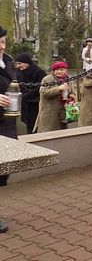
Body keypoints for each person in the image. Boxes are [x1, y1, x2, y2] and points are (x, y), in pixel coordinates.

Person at [0, 26, 17, 233]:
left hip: (6, 123)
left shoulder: (8, 62)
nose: (2, 47)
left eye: (3, 42)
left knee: (3, 171)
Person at [34, 61, 74, 133]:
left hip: (63, 113)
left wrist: (71, 97)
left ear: (65, 70)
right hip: (49, 113)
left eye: (61, 70)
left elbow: (72, 92)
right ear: (53, 71)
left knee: (62, 133)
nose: (59, 72)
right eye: (57, 70)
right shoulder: (47, 79)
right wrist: (58, 89)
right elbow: (44, 92)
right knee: (48, 133)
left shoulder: (68, 79)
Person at [15, 52, 46, 134]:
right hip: (24, 101)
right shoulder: (18, 72)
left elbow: (41, 87)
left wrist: (26, 94)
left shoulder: (39, 72)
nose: (18, 66)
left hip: (34, 102)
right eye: (17, 64)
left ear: (26, 62)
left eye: (20, 63)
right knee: (25, 122)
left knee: (34, 122)